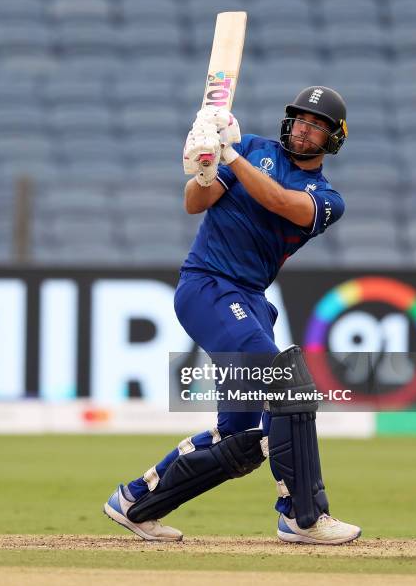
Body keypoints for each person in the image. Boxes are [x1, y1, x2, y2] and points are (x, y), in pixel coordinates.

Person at [104, 86, 361, 545]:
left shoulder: (326, 198)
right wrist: (205, 164)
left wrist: (229, 155)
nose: (304, 129)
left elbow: (282, 203)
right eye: (301, 120)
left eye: (316, 125)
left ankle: (135, 503)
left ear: (333, 139)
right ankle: (303, 517)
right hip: (207, 285)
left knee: (240, 438)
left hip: (249, 299)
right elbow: (193, 203)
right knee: (287, 385)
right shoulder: (252, 147)